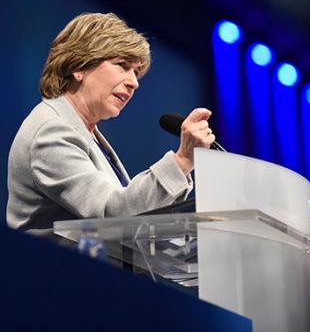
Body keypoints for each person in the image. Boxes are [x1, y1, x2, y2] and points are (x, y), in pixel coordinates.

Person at [6, 12, 216, 239]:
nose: (134, 82)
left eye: (136, 72)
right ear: (79, 67)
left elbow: (133, 222)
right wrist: (182, 161)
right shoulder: (52, 131)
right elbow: (114, 217)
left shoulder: (84, 132)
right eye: (122, 65)